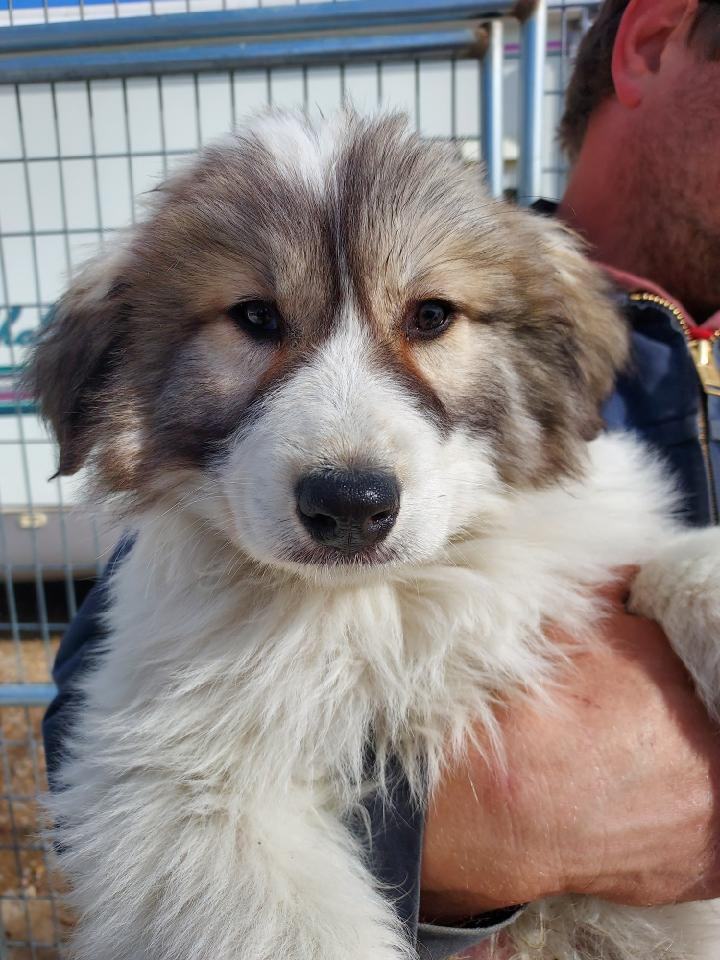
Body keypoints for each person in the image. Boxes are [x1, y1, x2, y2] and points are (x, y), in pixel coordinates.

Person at [42, 0, 720, 956]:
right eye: (257, 320)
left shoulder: (582, 488)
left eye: (430, 317)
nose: (351, 448)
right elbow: (141, 780)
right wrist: (477, 833)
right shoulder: (193, 577)